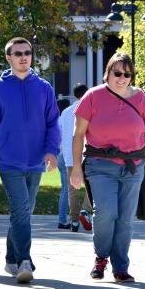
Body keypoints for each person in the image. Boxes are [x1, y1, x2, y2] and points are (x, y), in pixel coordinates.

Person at [70, 52, 145, 283]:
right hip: (100, 165)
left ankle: (120, 267)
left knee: (125, 218)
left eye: (127, 74)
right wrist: (77, 168)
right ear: (108, 72)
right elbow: (79, 134)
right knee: (106, 212)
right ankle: (101, 257)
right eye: (117, 73)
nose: (121, 78)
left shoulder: (140, 98)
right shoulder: (92, 97)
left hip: (133, 166)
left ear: (132, 76)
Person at [0, 37, 60, 284]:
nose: (24, 57)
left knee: (24, 211)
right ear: (8, 57)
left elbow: (52, 123)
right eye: (18, 53)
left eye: (27, 53)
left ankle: (10, 259)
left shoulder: (44, 87)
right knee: (21, 209)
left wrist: (52, 150)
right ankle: (25, 260)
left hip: (36, 160)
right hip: (9, 161)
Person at [58, 83, 92, 232]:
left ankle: (74, 220)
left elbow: (59, 133)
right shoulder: (91, 110)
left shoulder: (65, 112)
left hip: (69, 155)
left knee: (72, 189)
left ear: (74, 95)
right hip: (87, 153)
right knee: (92, 186)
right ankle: (86, 209)